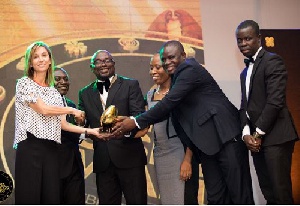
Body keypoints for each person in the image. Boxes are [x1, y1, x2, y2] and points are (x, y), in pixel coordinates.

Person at [111, 40, 254, 204]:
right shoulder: (173, 82)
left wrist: (135, 122)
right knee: (216, 197)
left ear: (183, 56)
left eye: (171, 57)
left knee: (240, 195)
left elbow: (168, 103)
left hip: (227, 137)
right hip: (207, 146)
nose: (167, 63)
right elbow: (160, 111)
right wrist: (129, 122)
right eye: (164, 59)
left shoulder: (189, 69)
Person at [14, 41, 103, 204]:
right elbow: (43, 109)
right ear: (30, 62)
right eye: (35, 57)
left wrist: (91, 131)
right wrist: (71, 110)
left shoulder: (54, 92)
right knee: (30, 197)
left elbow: (63, 125)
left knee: (51, 198)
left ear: (49, 60)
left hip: (51, 151)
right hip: (29, 148)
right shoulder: (24, 83)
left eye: (44, 55)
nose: (40, 60)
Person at [236, 20, 299, 204]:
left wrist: (257, 134)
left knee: (281, 194)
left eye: (247, 39)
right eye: (239, 40)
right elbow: (244, 107)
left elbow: (275, 102)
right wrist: (246, 134)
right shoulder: (244, 73)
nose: (243, 44)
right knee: (268, 194)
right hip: (257, 141)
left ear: (259, 38)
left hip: (277, 138)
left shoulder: (272, 61)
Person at [77, 50, 147, 204]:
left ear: (113, 64)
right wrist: (81, 125)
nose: (103, 64)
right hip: (103, 162)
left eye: (107, 60)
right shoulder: (85, 93)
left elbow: (139, 117)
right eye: (99, 61)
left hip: (130, 158)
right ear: (92, 67)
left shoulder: (130, 85)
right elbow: (84, 125)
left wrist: (124, 132)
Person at [147, 53, 198, 204]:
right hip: (160, 155)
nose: (153, 71)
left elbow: (192, 128)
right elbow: (143, 125)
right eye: (151, 68)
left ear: (168, 69)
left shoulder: (179, 93)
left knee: (186, 199)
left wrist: (187, 160)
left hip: (181, 153)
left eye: (157, 67)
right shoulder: (150, 95)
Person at [54, 67, 85, 204]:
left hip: (74, 167)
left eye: (66, 79)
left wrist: (81, 125)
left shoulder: (72, 106)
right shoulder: (41, 106)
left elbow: (76, 138)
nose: (63, 82)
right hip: (52, 168)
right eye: (57, 79)